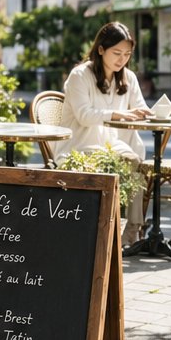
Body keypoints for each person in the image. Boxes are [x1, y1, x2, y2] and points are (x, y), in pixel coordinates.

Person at [56, 21, 152, 241]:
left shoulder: (128, 77)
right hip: (78, 148)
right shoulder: (80, 75)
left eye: (127, 54)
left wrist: (152, 114)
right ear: (101, 50)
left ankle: (133, 231)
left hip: (110, 147)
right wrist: (117, 114)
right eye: (116, 53)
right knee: (123, 162)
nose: (122, 59)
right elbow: (84, 115)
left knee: (134, 162)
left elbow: (141, 108)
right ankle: (104, 234)